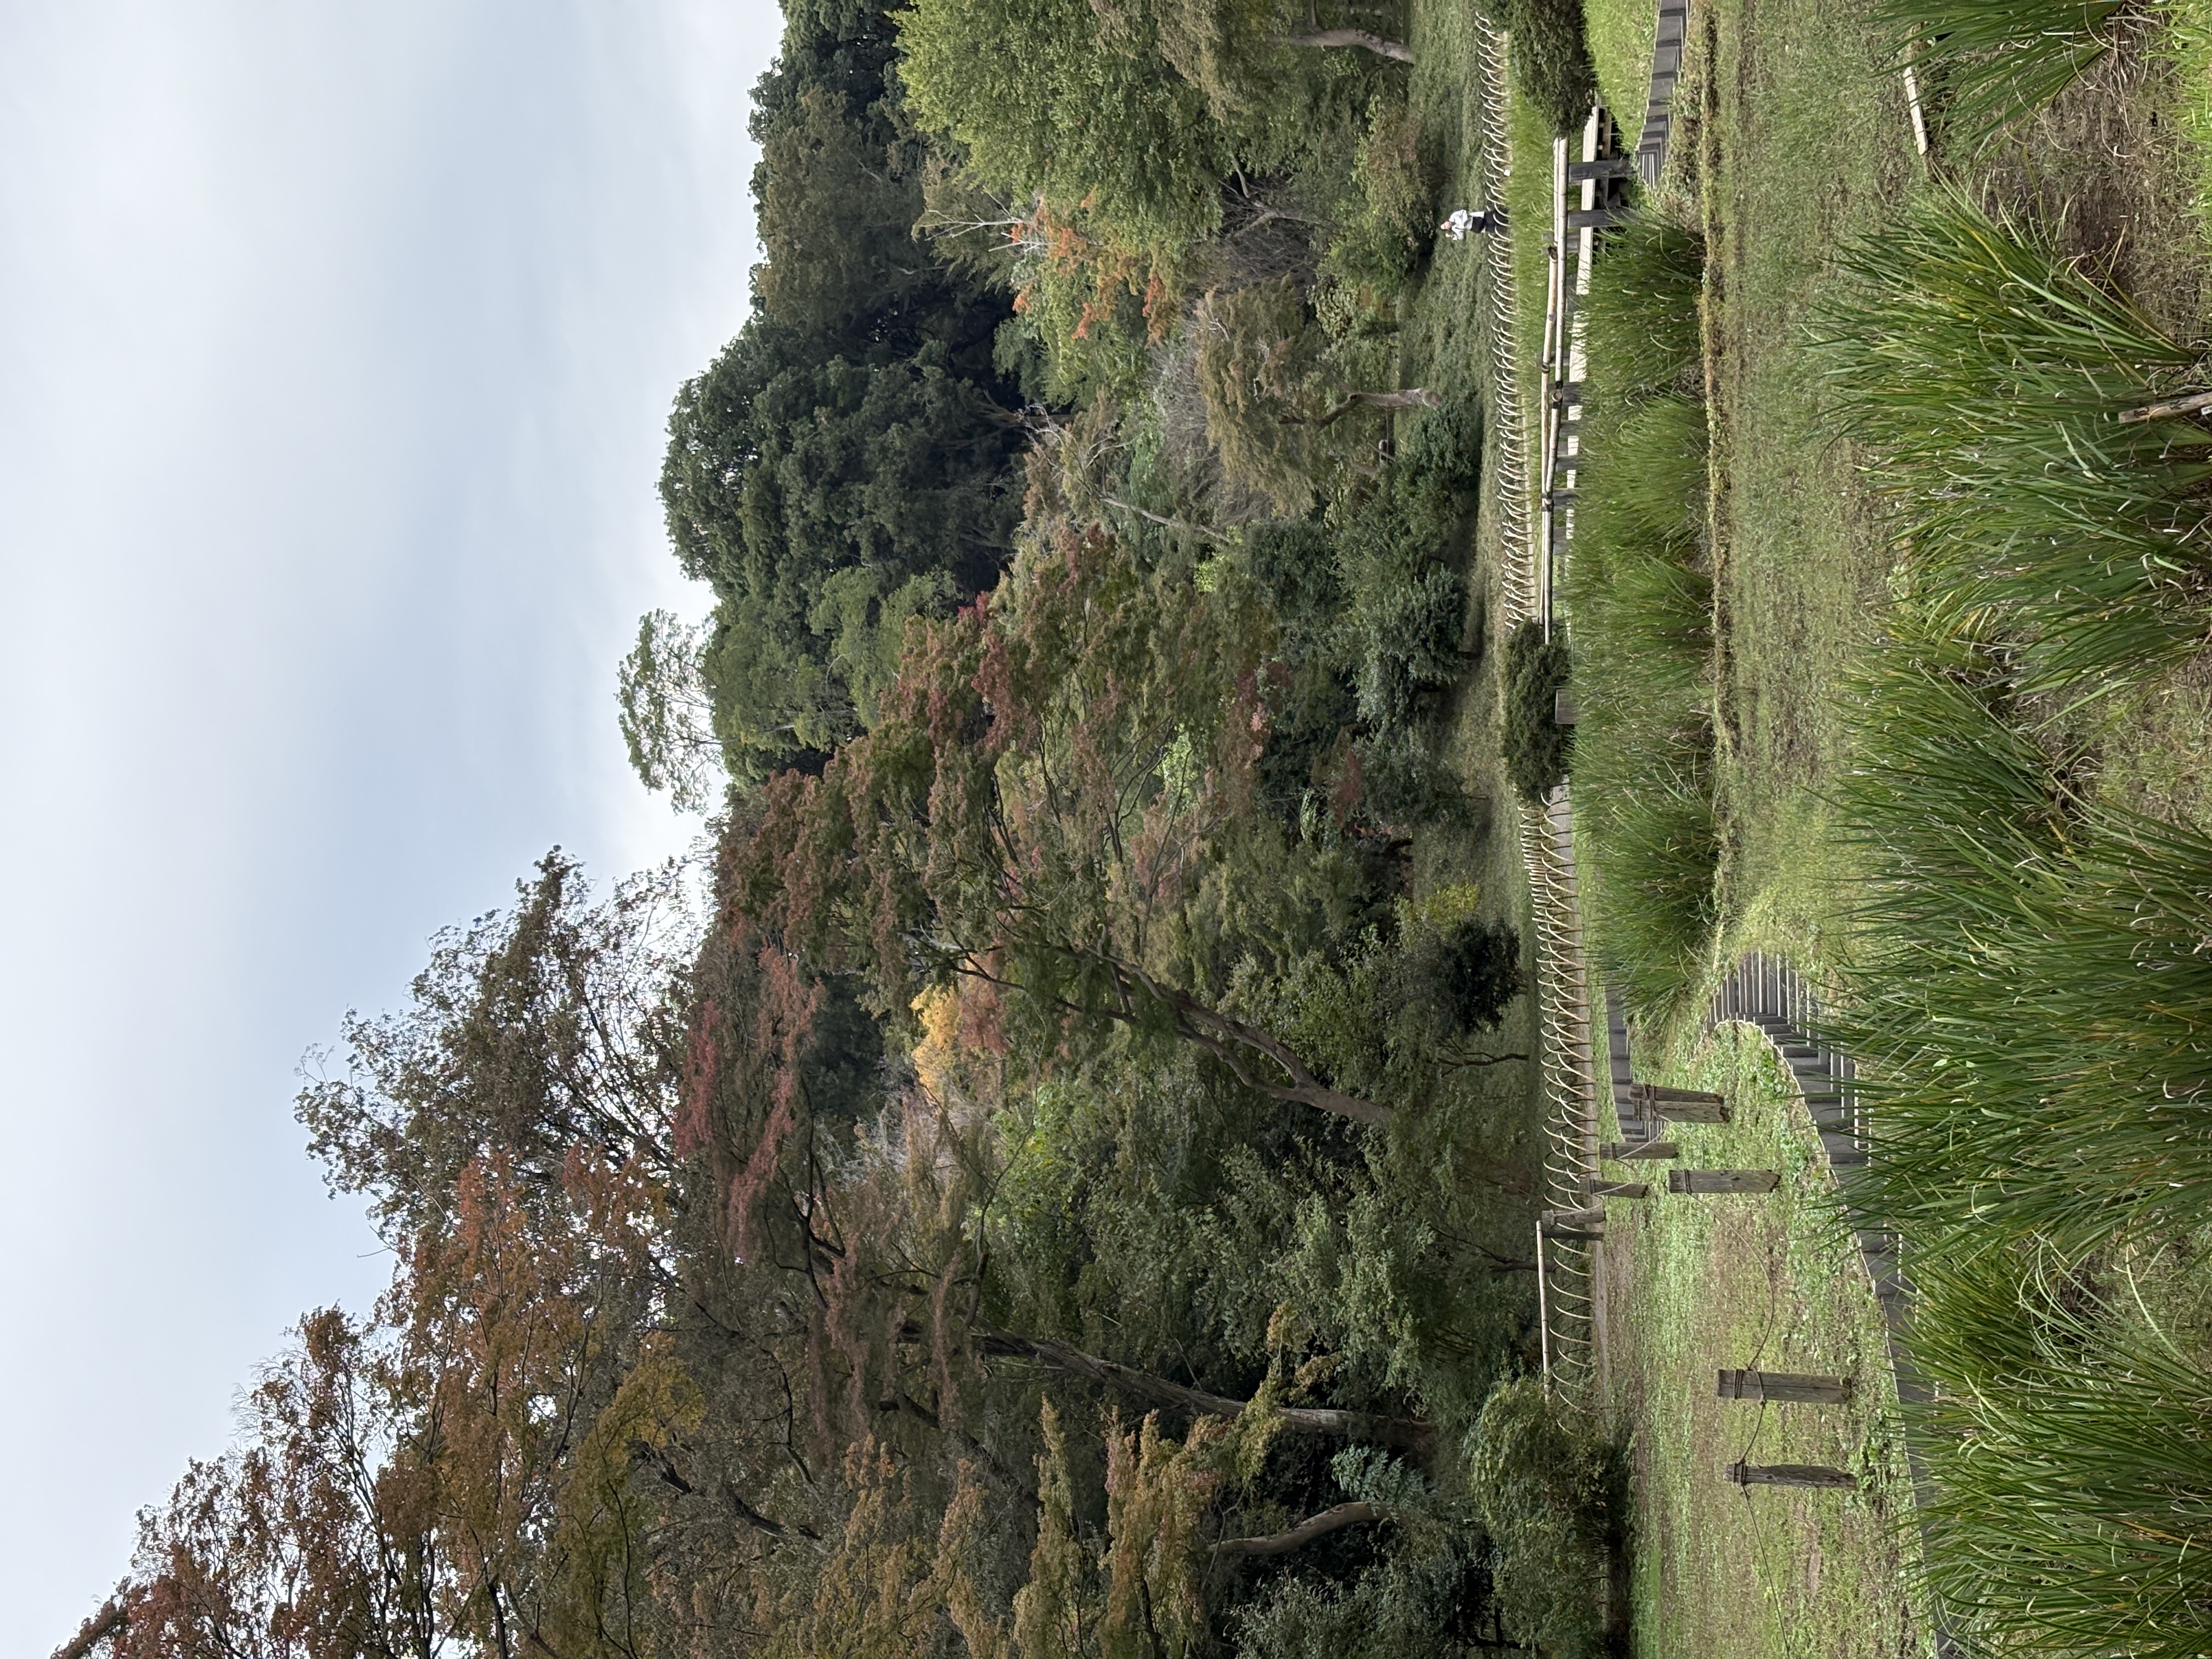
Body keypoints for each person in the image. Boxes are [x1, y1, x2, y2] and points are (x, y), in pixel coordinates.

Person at [1439, 205, 1506, 240]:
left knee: (1493, 217)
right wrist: (1453, 236)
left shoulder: (1454, 216)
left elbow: (1463, 212)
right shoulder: (1455, 229)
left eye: (1445, 225)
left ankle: (1506, 214)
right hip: (1475, 227)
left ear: (1446, 222)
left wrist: (1465, 221)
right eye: (1445, 228)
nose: (1447, 226)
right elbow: (1461, 237)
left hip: (1475, 219)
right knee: (1495, 229)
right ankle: (1508, 227)